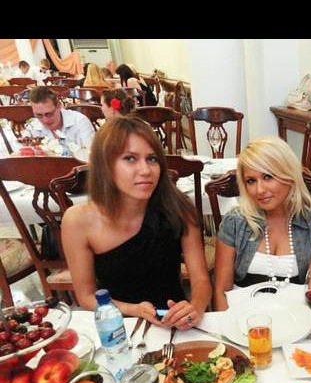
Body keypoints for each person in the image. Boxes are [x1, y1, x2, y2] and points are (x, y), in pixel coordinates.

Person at [61, 116, 212, 329]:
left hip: (175, 323)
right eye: (130, 158)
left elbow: (201, 280)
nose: (146, 170)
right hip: (118, 324)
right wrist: (134, 309)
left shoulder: (178, 207)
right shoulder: (78, 221)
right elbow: (86, 297)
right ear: (105, 165)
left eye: (152, 159)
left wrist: (195, 307)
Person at [213, 136, 311, 311]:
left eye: (268, 177)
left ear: (289, 175)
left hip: (295, 319)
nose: (259, 190)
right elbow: (221, 292)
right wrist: (229, 324)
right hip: (241, 319)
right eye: (251, 181)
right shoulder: (234, 223)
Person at [29, 86, 96, 149]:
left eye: (49, 114)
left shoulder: (80, 122)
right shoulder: (32, 127)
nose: (45, 120)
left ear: (59, 106)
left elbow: (91, 155)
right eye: (39, 115)